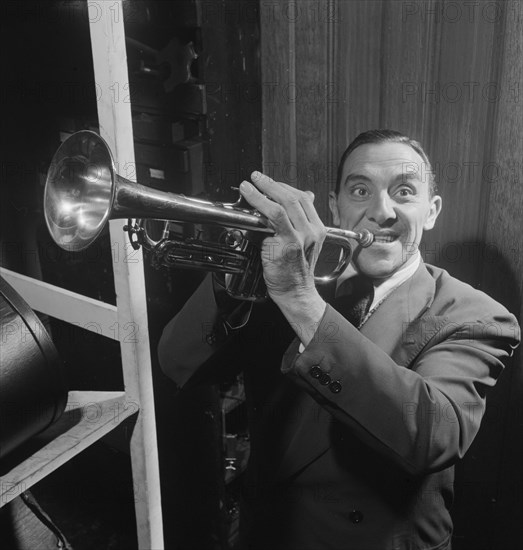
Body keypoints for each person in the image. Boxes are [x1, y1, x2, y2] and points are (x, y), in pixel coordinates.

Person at [158, 130, 520, 550]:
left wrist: (300, 300)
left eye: (404, 192)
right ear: (334, 207)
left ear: (432, 210)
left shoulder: (476, 315)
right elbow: (174, 361)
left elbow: (431, 435)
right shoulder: (288, 277)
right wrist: (229, 277)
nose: (381, 212)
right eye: (360, 190)